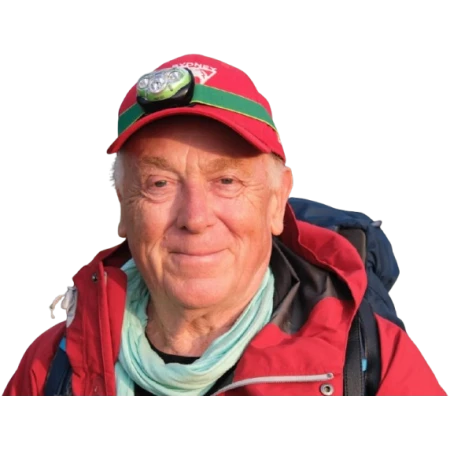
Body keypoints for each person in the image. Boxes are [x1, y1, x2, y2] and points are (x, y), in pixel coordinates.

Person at [2, 53, 447, 398]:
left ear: (277, 202)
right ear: (124, 209)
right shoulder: (53, 365)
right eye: (159, 183)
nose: (195, 218)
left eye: (227, 181)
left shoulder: (373, 361)